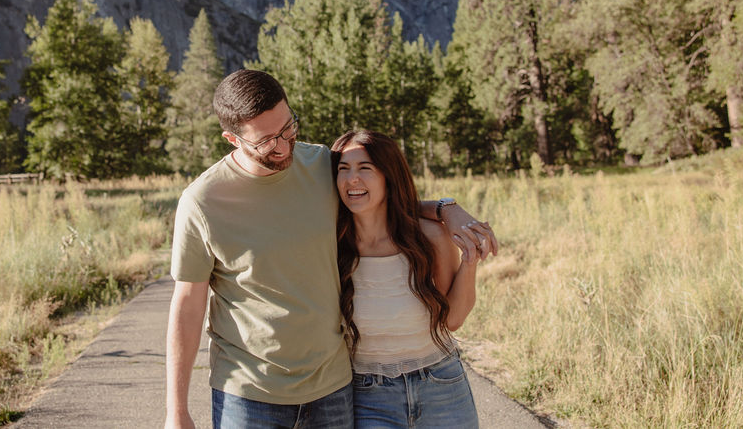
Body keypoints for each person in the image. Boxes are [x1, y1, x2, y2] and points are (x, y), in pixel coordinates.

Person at [166, 69, 497, 429]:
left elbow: (381, 197)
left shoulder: (320, 165)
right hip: (249, 394)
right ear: (232, 138)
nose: (283, 145)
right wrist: (177, 410)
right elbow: (187, 305)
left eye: (288, 128)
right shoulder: (202, 202)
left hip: (333, 389)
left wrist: (448, 209)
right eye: (266, 141)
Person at [332, 129, 484, 428]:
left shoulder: (430, 236)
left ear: (389, 176)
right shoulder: (331, 244)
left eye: (365, 168)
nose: (352, 180)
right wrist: (443, 206)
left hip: (441, 384)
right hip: (368, 395)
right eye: (343, 169)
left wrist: (469, 262)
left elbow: (452, 320)